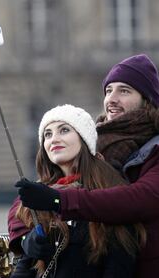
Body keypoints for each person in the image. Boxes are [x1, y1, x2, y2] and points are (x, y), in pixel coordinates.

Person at [15, 54, 159, 277]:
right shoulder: (94, 147)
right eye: (108, 90)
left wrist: (57, 200)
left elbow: (140, 200)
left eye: (124, 91)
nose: (112, 98)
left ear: (147, 99)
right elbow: (29, 199)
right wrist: (25, 238)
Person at [9, 104, 146, 278]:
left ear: (84, 139)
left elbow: (120, 265)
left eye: (64, 130)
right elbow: (24, 269)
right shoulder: (40, 197)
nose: (54, 139)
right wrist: (27, 242)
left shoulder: (111, 193)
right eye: (47, 134)